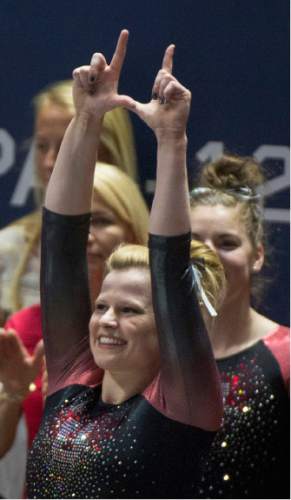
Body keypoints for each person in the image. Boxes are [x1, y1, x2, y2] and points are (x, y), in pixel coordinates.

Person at [21, 30, 224, 498]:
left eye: (131, 311)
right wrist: (86, 118)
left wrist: (172, 140)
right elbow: (61, 241)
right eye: (102, 307)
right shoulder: (73, 379)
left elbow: (170, 265)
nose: (107, 320)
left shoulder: (182, 406)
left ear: (169, 328)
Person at [0, 161, 149, 497]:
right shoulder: (24, 329)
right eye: (78, 224)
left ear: (133, 229)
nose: (86, 234)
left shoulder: (158, 333)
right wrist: (13, 395)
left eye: (101, 221)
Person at [190, 154, 290, 499]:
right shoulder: (153, 351)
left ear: (257, 255)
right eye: (194, 242)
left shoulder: (285, 356)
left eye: (227, 243)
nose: (209, 256)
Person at [0, 80, 138, 325]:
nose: (50, 162)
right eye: (42, 147)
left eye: (66, 146)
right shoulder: (8, 250)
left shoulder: (149, 255)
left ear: (109, 149)